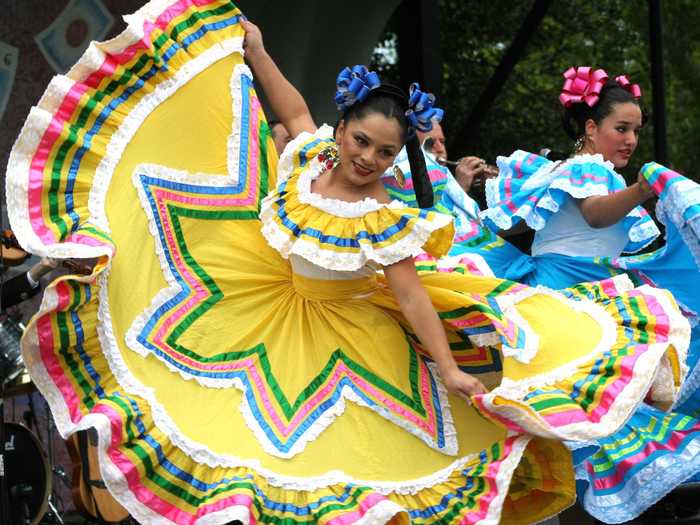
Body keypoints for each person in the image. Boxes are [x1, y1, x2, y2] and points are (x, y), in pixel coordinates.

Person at [4, 5, 690, 523]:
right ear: (342, 131)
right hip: (261, 300)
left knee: (331, 457)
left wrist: (449, 368)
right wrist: (258, 52)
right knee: (197, 398)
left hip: (345, 332)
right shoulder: (308, 160)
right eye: (361, 140)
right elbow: (293, 108)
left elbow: (414, 296)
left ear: (396, 159)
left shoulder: (382, 217)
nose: (367, 158)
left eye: (385, 154)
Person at [467, 66, 700, 523]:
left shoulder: (598, 172)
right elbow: (594, 216)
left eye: (636, 130)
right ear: (591, 128)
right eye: (621, 128)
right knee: (588, 403)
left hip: (594, 295)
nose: (631, 139)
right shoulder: (585, 168)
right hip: (565, 298)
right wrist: (643, 187)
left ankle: (598, 501)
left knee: (597, 402)